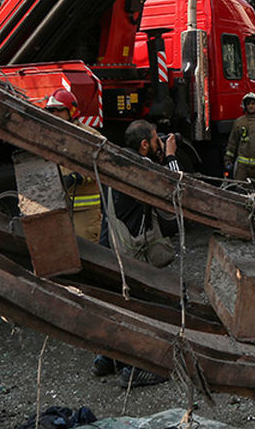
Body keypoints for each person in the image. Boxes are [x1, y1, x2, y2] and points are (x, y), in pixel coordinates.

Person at [93, 119, 180, 388]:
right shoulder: (142, 168)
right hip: (130, 251)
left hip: (109, 245)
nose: (158, 143)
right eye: (155, 140)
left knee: (116, 302)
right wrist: (171, 156)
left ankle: (107, 357)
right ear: (144, 145)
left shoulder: (114, 161)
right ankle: (137, 368)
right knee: (140, 305)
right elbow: (176, 193)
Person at [45, 88, 102, 243]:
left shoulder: (90, 136)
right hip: (58, 208)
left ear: (71, 111)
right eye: (51, 110)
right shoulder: (48, 135)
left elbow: (101, 167)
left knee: (88, 255)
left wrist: (77, 176)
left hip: (85, 212)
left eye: (59, 110)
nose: (55, 114)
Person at [224, 92, 255, 193]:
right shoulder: (239, 122)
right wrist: (228, 159)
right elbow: (233, 142)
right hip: (243, 168)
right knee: (240, 192)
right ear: (244, 106)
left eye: (253, 104)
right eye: (248, 104)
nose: (251, 106)